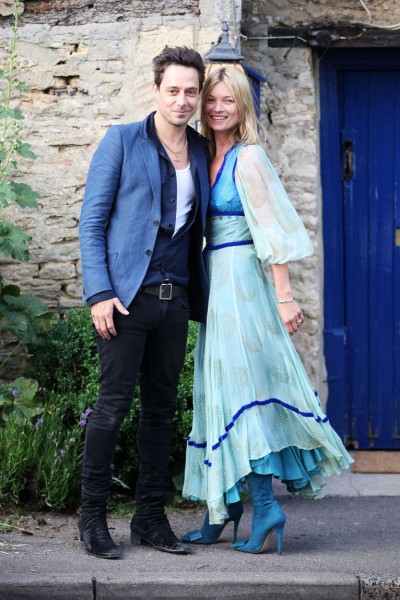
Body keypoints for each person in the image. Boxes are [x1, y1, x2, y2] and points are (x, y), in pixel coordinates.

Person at [181, 66, 353, 554]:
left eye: (228, 101)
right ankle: (222, 508)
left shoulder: (249, 157)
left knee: (243, 393)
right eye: (211, 100)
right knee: (216, 391)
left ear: (242, 107)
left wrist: (284, 296)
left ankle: (265, 506)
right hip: (215, 284)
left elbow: (272, 231)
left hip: (243, 286)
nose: (218, 108)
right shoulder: (202, 154)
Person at [78, 46, 210, 559]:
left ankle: (150, 519)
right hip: (124, 301)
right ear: (156, 90)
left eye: (190, 92)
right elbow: (92, 223)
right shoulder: (122, 140)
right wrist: (99, 293)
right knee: (112, 407)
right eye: (173, 90)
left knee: (161, 411)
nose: (182, 100)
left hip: (174, 302)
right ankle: (92, 520)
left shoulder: (201, 150)